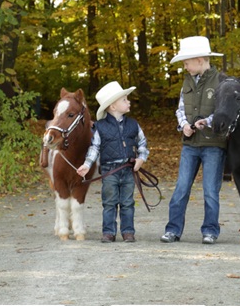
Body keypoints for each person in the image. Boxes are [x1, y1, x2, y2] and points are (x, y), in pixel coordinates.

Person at [161, 36, 227, 245]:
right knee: (181, 188)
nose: (185, 66)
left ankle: (210, 231)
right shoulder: (187, 81)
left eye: (187, 62)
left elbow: (224, 112)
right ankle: (173, 230)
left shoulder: (222, 81)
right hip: (190, 145)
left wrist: (205, 122)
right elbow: (180, 108)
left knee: (210, 190)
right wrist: (184, 125)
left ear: (200, 60)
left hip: (213, 146)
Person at [77, 81, 149, 243]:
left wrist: (141, 159)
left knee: (128, 202)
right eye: (124, 100)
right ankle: (108, 232)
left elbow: (142, 143)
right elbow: (94, 148)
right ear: (112, 107)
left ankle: (128, 231)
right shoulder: (100, 127)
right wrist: (87, 165)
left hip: (128, 170)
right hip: (110, 170)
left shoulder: (133, 124)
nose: (128, 102)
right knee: (109, 202)